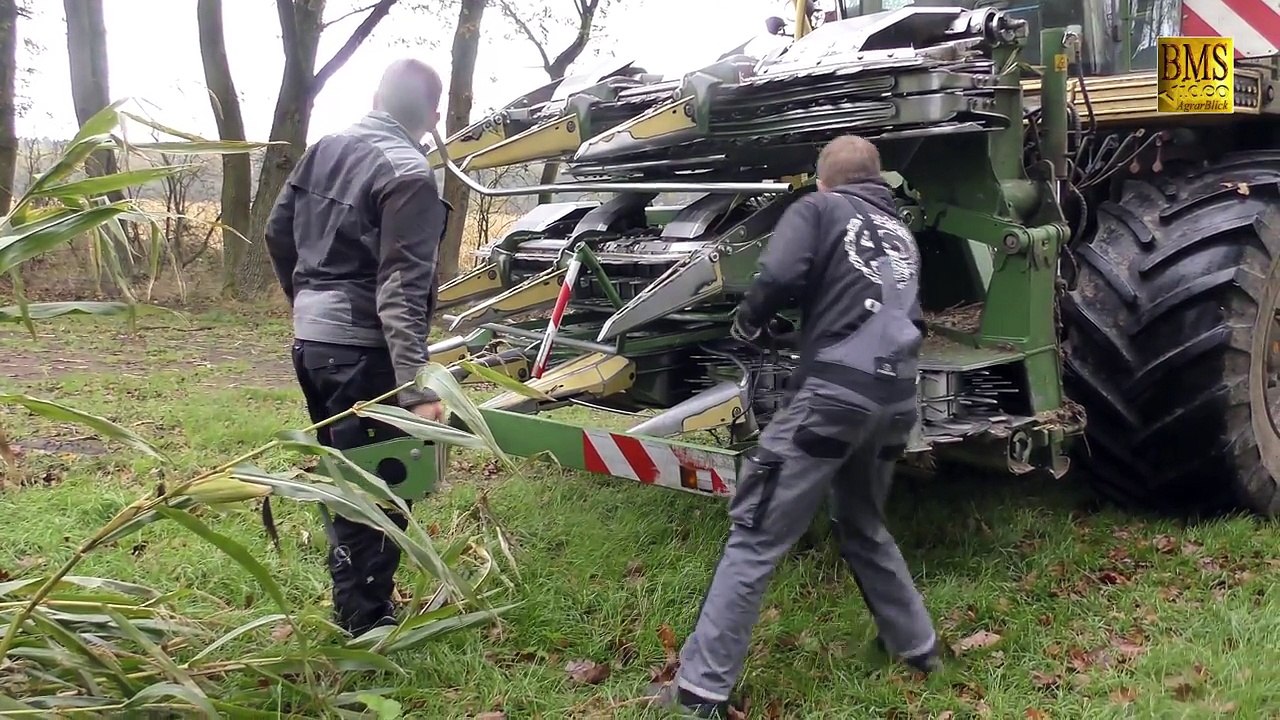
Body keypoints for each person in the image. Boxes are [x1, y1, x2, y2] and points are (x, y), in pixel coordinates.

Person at [656, 135, 940, 717]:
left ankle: (699, 691)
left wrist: (750, 322)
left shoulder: (817, 208)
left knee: (755, 533)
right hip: (895, 399)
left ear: (823, 179)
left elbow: (779, 273)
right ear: (878, 177)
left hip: (834, 400)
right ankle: (920, 648)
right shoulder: (902, 232)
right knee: (862, 522)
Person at [264, 58, 451, 637]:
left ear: (376, 94)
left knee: (346, 473)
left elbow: (276, 230)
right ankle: (365, 622)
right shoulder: (409, 173)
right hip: (363, 353)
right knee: (381, 482)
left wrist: (305, 302)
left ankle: (355, 602)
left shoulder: (327, 147)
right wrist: (418, 386)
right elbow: (401, 288)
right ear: (434, 117)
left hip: (312, 342)